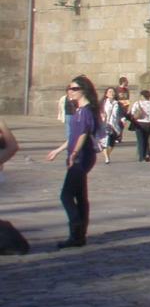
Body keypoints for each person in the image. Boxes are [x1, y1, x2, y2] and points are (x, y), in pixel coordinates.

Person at [45, 76, 103, 249]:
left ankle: (76, 234)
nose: (70, 91)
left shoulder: (85, 110)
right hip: (78, 155)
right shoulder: (78, 110)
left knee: (66, 196)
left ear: (83, 90)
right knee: (80, 196)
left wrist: (74, 153)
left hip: (82, 156)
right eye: (69, 88)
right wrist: (58, 150)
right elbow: (73, 136)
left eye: (74, 88)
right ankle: (80, 235)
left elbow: (84, 132)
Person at [129, 90, 150, 162]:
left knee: (141, 141)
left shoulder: (137, 103)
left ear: (142, 96)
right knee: (146, 139)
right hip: (149, 124)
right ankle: (147, 154)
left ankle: (142, 157)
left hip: (139, 123)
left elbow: (132, 112)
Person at [99, 85, 123, 164]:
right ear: (106, 94)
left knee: (112, 142)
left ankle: (107, 155)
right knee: (105, 141)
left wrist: (123, 119)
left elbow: (121, 113)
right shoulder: (103, 103)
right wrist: (100, 115)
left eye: (113, 92)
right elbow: (96, 111)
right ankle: (106, 157)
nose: (112, 93)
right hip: (105, 124)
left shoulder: (117, 104)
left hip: (114, 125)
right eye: (110, 92)